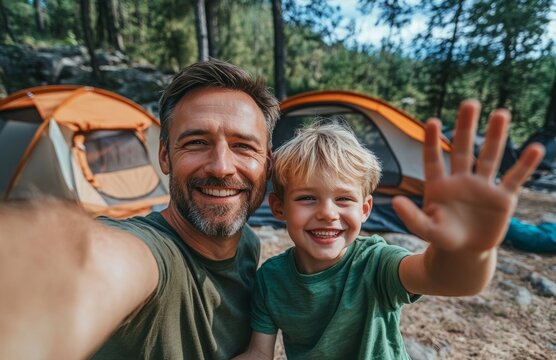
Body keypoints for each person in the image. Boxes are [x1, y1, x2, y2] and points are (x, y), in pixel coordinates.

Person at [0, 59, 280, 359]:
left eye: (243, 146)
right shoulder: (150, 256)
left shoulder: (248, 244)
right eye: (197, 142)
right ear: (164, 156)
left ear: (267, 164)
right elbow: (83, 263)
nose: (221, 167)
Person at [234, 107, 545, 360]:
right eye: (306, 198)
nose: (327, 212)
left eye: (344, 199)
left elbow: (447, 279)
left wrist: (468, 250)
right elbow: (259, 352)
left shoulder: (376, 263)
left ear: (365, 209)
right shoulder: (270, 280)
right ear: (278, 207)